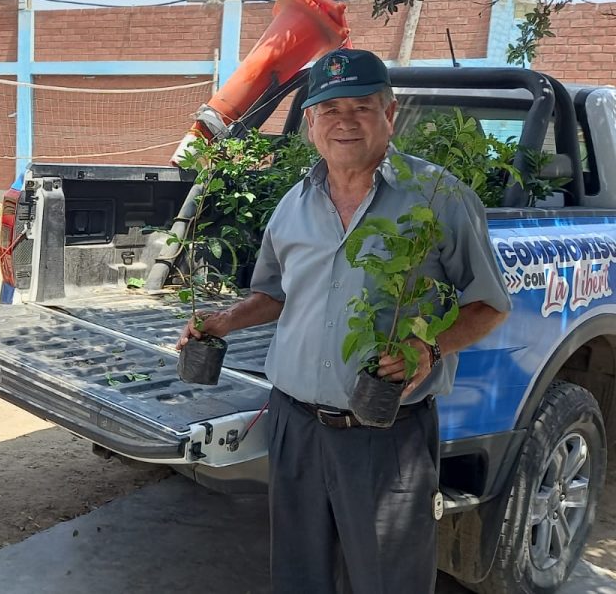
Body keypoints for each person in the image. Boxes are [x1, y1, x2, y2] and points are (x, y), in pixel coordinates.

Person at [177, 48, 512, 593]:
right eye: (330, 109)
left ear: (390, 113)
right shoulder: (293, 204)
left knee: (390, 581)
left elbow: (489, 305)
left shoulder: (439, 198)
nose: (345, 120)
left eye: (362, 106)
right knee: (299, 574)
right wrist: (223, 322)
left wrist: (427, 350)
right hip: (295, 426)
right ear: (310, 123)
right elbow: (275, 293)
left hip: (387, 434)